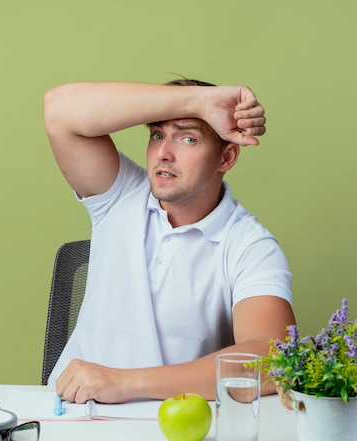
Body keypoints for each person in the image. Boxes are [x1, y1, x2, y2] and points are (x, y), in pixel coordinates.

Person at [42, 78, 296, 405]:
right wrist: (198, 102)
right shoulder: (120, 195)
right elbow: (60, 110)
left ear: (226, 158)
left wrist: (124, 382)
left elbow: (274, 359)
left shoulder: (249, 245)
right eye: (157, 135)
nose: (163, 153)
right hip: (69, 412)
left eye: (187, 138)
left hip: (167, 423)